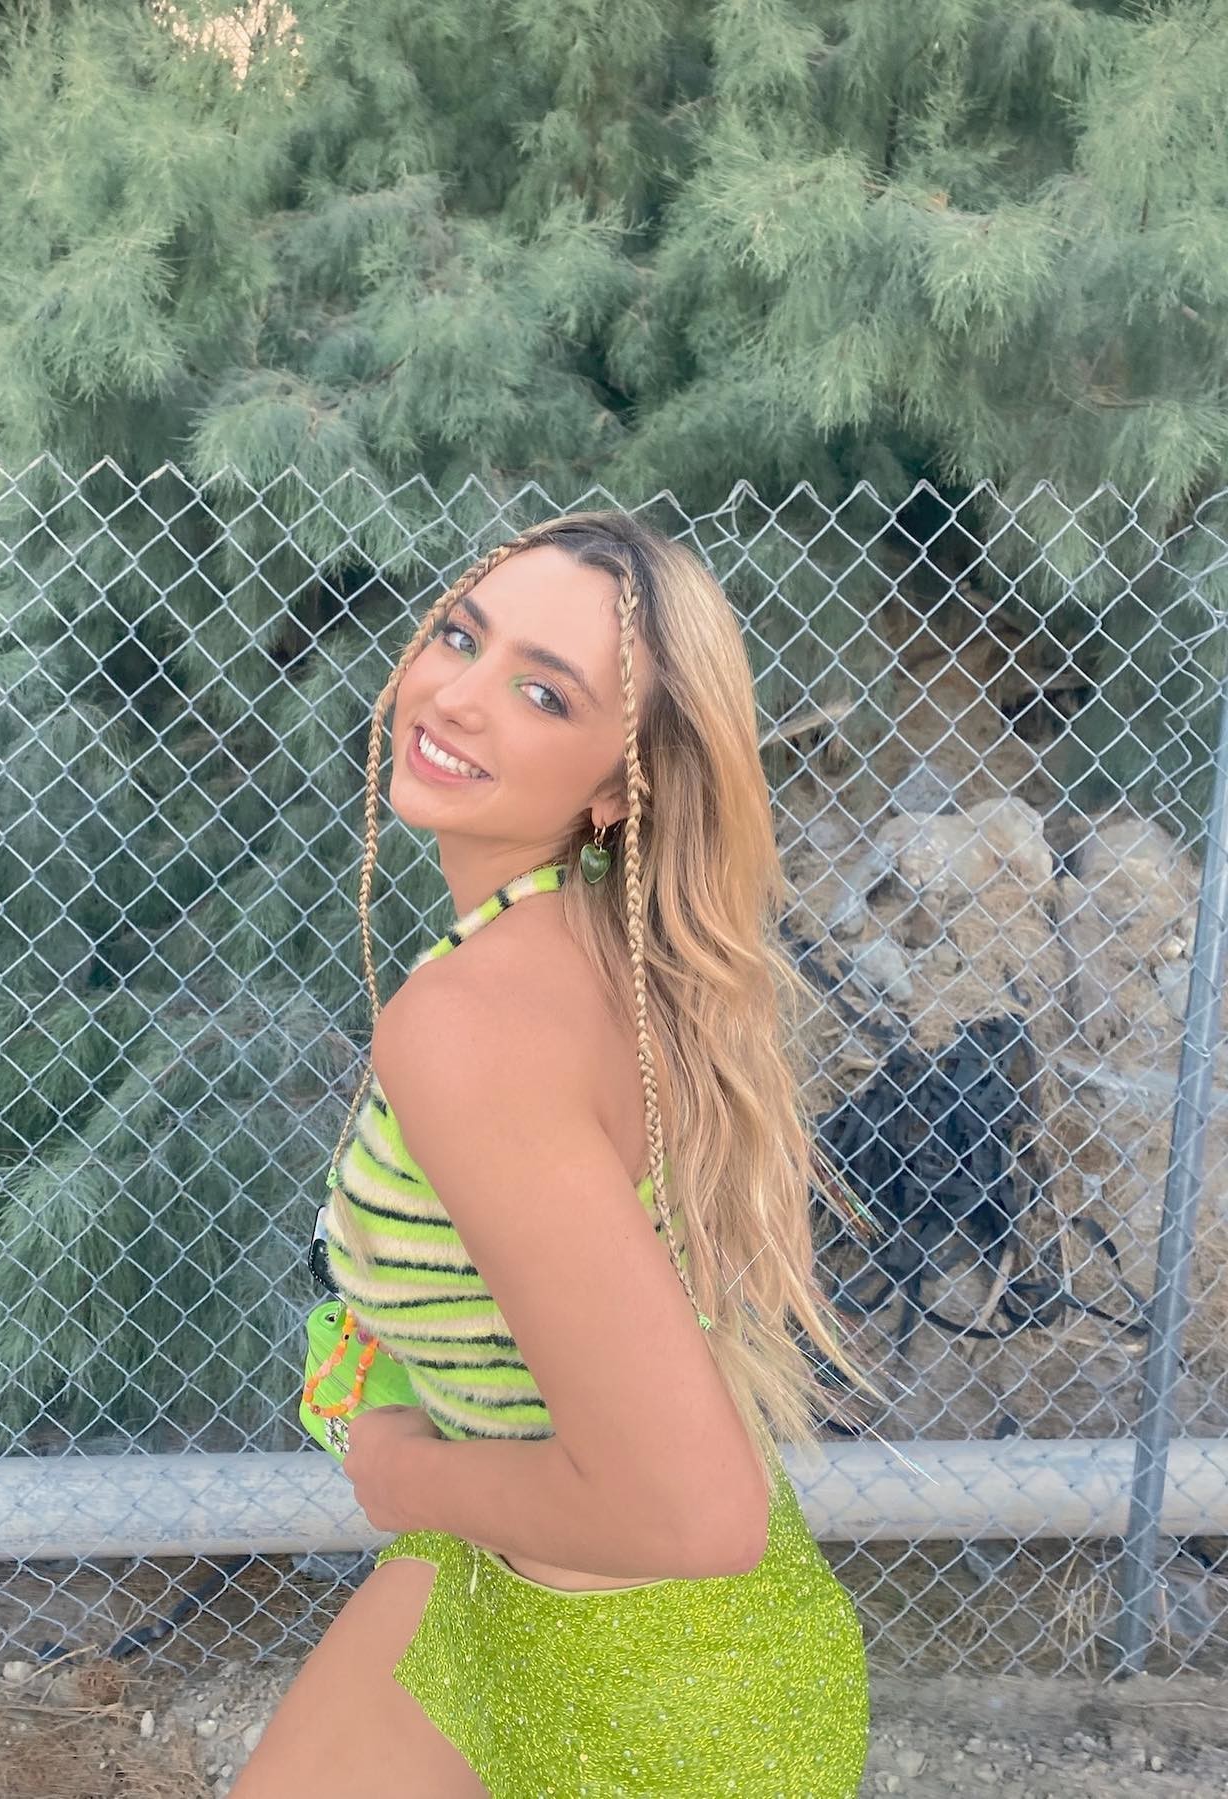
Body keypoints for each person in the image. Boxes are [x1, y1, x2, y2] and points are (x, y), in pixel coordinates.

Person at [235, 510, 882, 1797]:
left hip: (656, 1705)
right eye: (460, 636)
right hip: (509, 1591)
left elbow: (690, 1510)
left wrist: (398, 1471)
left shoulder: (475, 1019)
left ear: (618, 787)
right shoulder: (604, 947)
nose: (458, 696)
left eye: (543, 692)